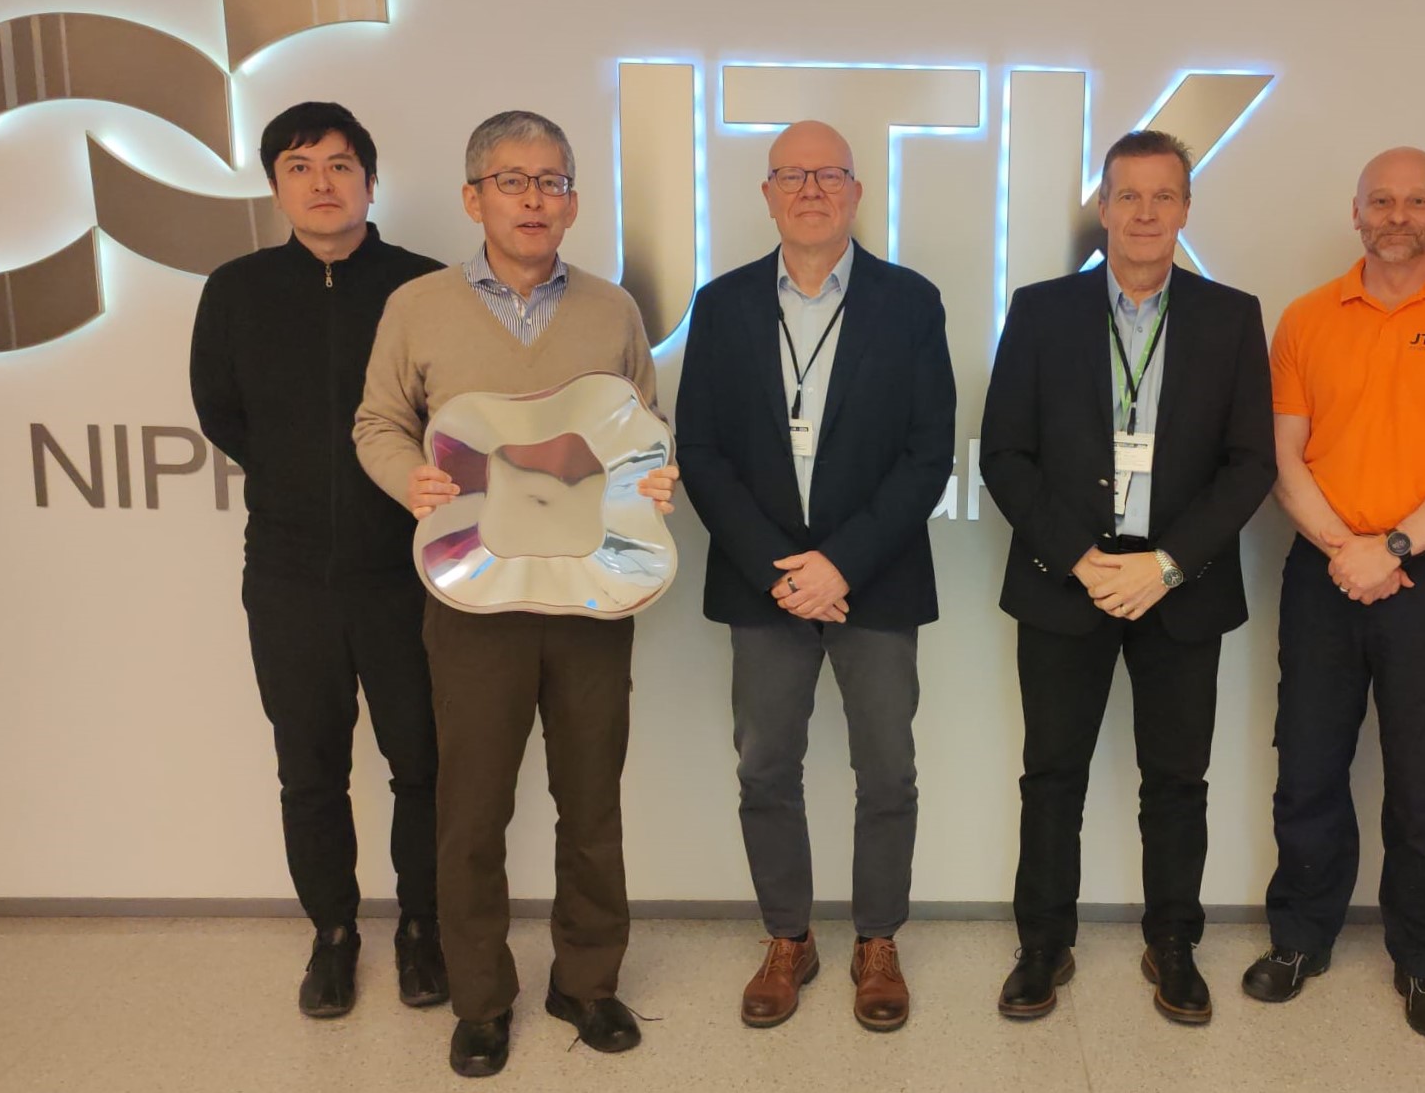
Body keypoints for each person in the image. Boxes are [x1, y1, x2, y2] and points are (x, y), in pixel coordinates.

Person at [352, 110, 679, 1078]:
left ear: (572, 201)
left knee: (592, 802)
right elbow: (377, 421)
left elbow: (642, 427)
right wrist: (408, 478)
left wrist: (655, 479)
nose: (533, 199)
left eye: (552, 181)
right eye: (512, 181)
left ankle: (587, 981)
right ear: (473, 198)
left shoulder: (612, 310)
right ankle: (481, 998)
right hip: (471, 597)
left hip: (592, 596)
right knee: (471, 810)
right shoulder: (418, 306)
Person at [980, 129, 1276, 1025]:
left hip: (1179, 585)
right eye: (1128, 195)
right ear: (1102, 207)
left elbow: (1250, 463)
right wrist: (1080, 556)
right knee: (1050, 775)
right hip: (1064, 577)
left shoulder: (1231, 316)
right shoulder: (1040, 311)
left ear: (1185, 208)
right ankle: (1042, 945)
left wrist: (1167, 564)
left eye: (1163, 195)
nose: (1145, 213)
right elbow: (1004, 452)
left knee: (1177, 779)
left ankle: (1173, 944)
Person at [1245, 147, 1425, 1039]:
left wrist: (1395, 546)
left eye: (1415, 201)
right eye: (1381, 201)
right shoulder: (1306, 317)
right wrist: (1347, 550)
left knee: (1424, 779)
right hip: (1324, 570)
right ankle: (1300, 937)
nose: (1396, 216)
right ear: (1356, 212)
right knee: (1306, 768)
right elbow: (1282, 455)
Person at [675, 120, 956, 1032]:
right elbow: (701, 451)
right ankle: (788, 937)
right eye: (790, 175)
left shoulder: (909, 301)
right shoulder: (721, 304)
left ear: (856, 192)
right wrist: (780, 569)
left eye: (828, 174)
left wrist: (841, 562)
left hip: (875, 575)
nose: (809, 190)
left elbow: (928, 452)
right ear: (765, 194)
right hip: (763, 583)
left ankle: (877, 940)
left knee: (888, 770)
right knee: (765, 766)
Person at [189, 101, 447, 1019]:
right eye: (299, 166)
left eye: (340, 164)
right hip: (289, 571)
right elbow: (221, 411)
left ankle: (422, 929)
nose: (322, 182)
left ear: (371, 181)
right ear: (275, 186)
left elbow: (455, 414)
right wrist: (300, 477)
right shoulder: (237, 289)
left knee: (424, 764)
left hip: (407, 571)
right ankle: (332, 935)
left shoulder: (425, 288)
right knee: (309, 769)